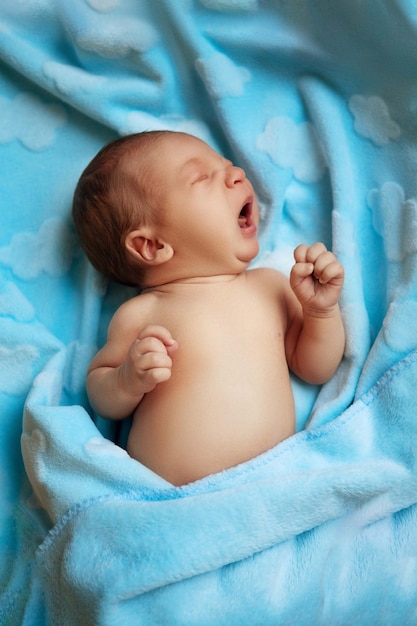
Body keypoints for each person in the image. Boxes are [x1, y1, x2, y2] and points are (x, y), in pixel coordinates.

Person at [72, 130, 345, 486]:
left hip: (271, 485)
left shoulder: (271, 286)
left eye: (227, 164)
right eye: (202, 176)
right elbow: (101, 395)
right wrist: (126, 379)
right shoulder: (142, 313)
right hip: (173, 497)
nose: (236, 174)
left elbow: (316, 369)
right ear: (152, 246)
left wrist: (321, 312)